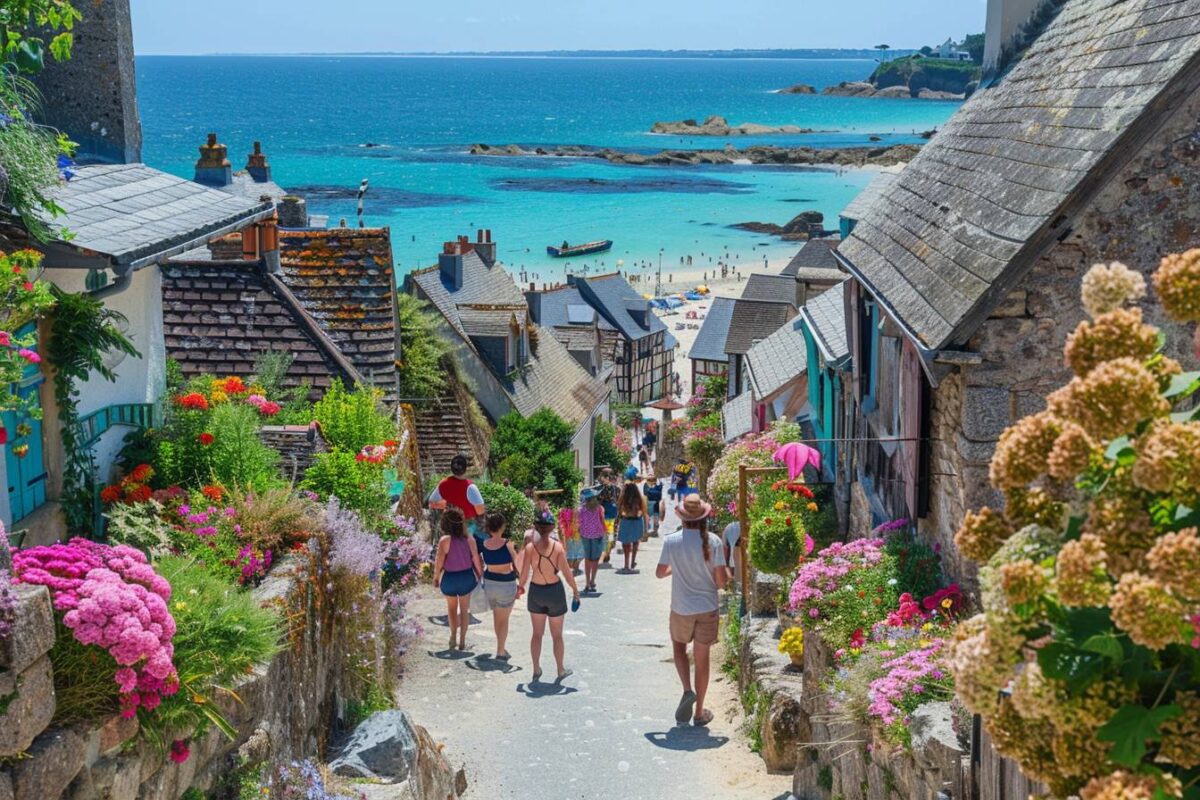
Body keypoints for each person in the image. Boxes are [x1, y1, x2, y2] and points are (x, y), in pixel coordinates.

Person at [656, 494, 728, 727]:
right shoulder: (714, 542)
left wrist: (675, 570)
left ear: (682, 516)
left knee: (679, 647)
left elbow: (659, 572)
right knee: (703, 658)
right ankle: (699, 712)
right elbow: (720, 582)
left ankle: (687, 690)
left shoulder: (672, 541)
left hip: (681, 607)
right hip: (707, 607)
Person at [519, 509, 582, 682]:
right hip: (554, 592)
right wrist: (575, 591)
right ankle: (560, 670)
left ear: (536, 527)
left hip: (536, 591)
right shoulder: (558, 548)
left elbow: (524, 574)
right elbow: (567, 574)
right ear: (552, 527)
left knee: (537, 634)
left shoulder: (530, 548)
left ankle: (536, 668)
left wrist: (520, 588)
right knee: (557, 636)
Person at [432, 508, 484, 651]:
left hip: (450, 577)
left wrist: (436, 577)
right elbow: (476, 559)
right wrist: (480, 575)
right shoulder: (469, 539)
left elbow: (439, 561)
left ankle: (453, 636)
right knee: (465, 610)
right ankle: (462, 642)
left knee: (452, 609)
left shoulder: (444, 541)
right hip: (466, 577)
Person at [478, 512, 521, 660]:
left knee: (497, 618)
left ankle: (500, 647)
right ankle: (500, 650)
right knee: (504, 619)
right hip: (506, 583)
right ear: (502, 526)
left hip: (490, 583)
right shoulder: (507, 543)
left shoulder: (483, 544)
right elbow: (518, 563)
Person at [428, 454, 486, 544]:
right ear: (465, 469)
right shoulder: (470, 487)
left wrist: (446, 504)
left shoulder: (443, 484)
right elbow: (480, 511)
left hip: (449, 525)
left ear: (452, 469)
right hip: (467, 526)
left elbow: (432, 503)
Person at [577, 487, 607, 593]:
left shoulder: (581, 509)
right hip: (597, 535)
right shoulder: (599, 508)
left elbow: (579, 523)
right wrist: (605, 533)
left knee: (587, 559)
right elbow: (602, 521)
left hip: (585, 535)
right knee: (595, 559)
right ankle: (592, 581)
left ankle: (587, 582)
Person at [616, 480, 649, 572]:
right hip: (637, 521)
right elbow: (643, 512)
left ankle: (626, 564)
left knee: (626, 544)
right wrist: (646, 529)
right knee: (635, 542)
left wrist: (617, 522)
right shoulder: (639, 499)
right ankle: (632, 562)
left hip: (626, 521)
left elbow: (619, 511)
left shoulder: (623, 499)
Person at [597, 468, 620, 564]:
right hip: (612, 516)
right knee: (610, 536)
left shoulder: (600, 489)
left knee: (607, 536)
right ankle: (606, 553)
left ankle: (605, 554)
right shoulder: (617, 489)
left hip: (606, 517)